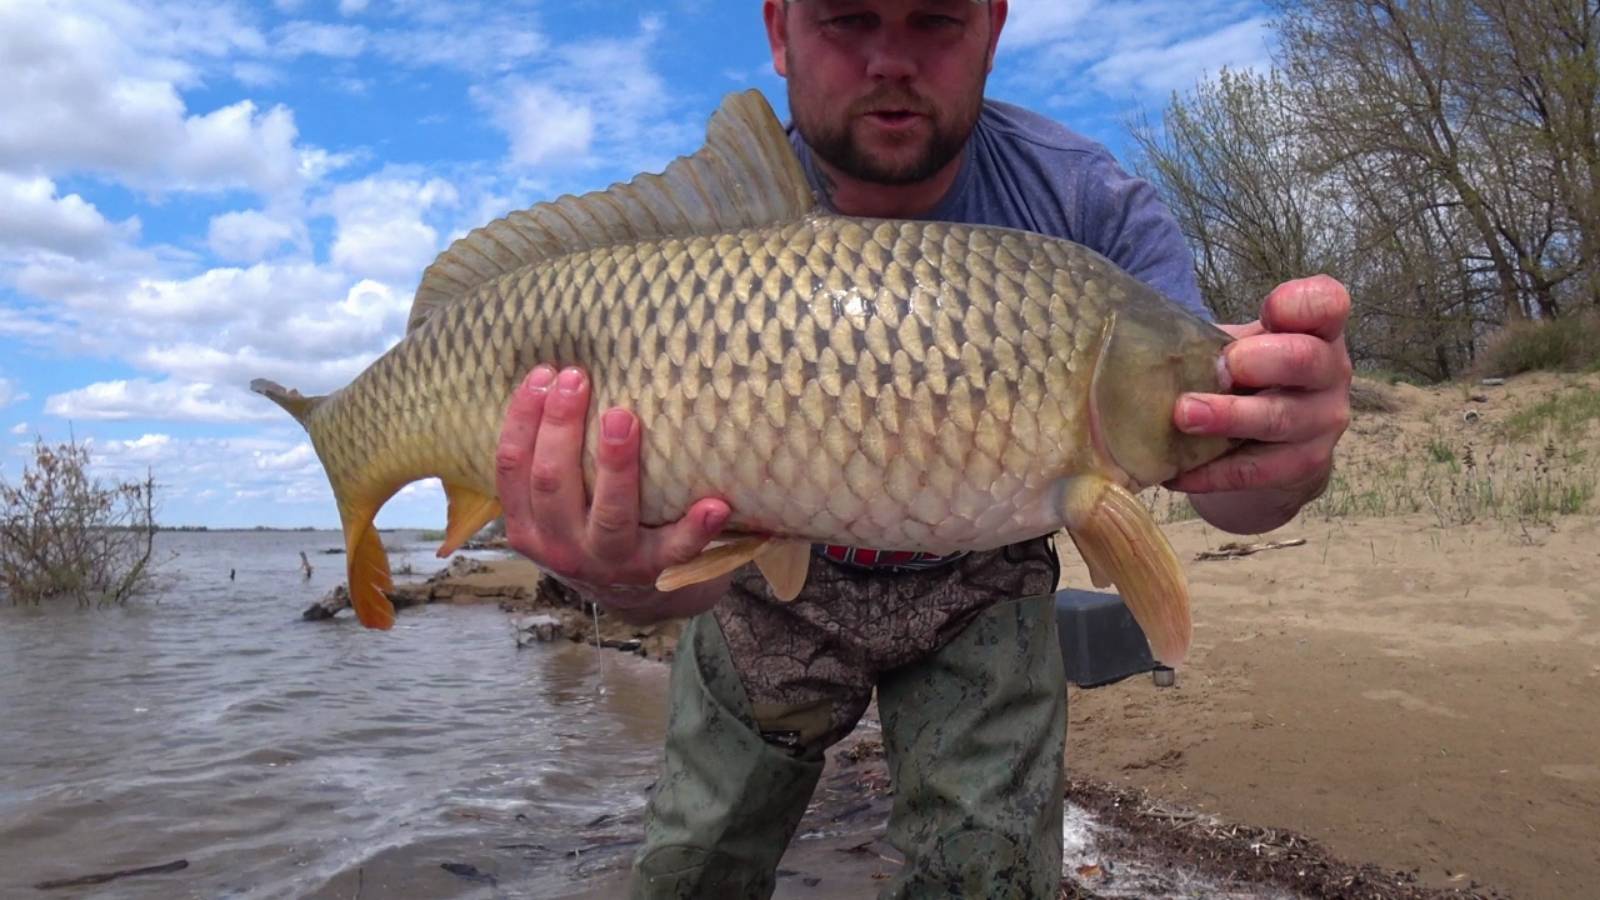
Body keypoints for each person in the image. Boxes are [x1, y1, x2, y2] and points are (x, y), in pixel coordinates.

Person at [493, 0, 1353, 896]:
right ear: (780, 30)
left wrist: (1287, 447)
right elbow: (680, 578)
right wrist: (616, 575)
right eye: (849, 18)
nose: (890, 60)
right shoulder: (700, 234)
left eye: (935, 20)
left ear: (993, 25)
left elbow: (1233, 493)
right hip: (770, 579)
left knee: (989, 877)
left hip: (983, 573)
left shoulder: (1088, 209)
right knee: (689, 869)